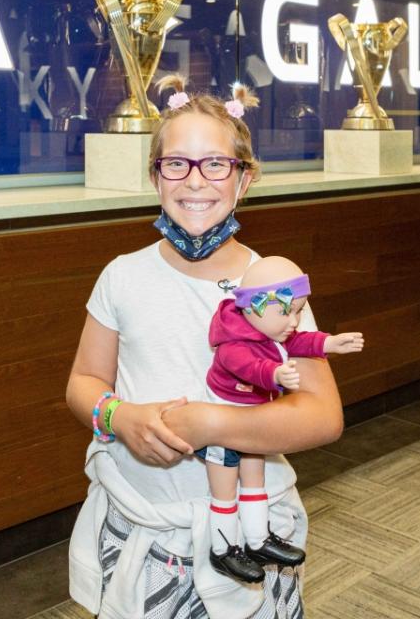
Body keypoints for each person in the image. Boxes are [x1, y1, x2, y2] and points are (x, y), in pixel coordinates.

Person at [66, 85, 345, 619]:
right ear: (154, 176)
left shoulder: (272, 282)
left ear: (245, 177)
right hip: (138, 523)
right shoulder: (122, 275)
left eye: (216, 164)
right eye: (177, 164)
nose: (195, 181)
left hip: (249, 526)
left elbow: (321, 414)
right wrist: (119, 417)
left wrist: (209, 424)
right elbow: (84, 382)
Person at [199, 255, 364, 584]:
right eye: (286, 311)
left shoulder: (269, 328)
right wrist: (274, 373)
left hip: (254, 421)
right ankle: (223, 548)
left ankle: (258, 540)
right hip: (222, 424)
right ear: (252, 307)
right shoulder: (232, 340)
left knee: (255, 478)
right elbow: (243, 365)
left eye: (299, 311)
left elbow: (300, 341)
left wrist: (329, 342)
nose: (294, 321)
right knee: (225, 488)